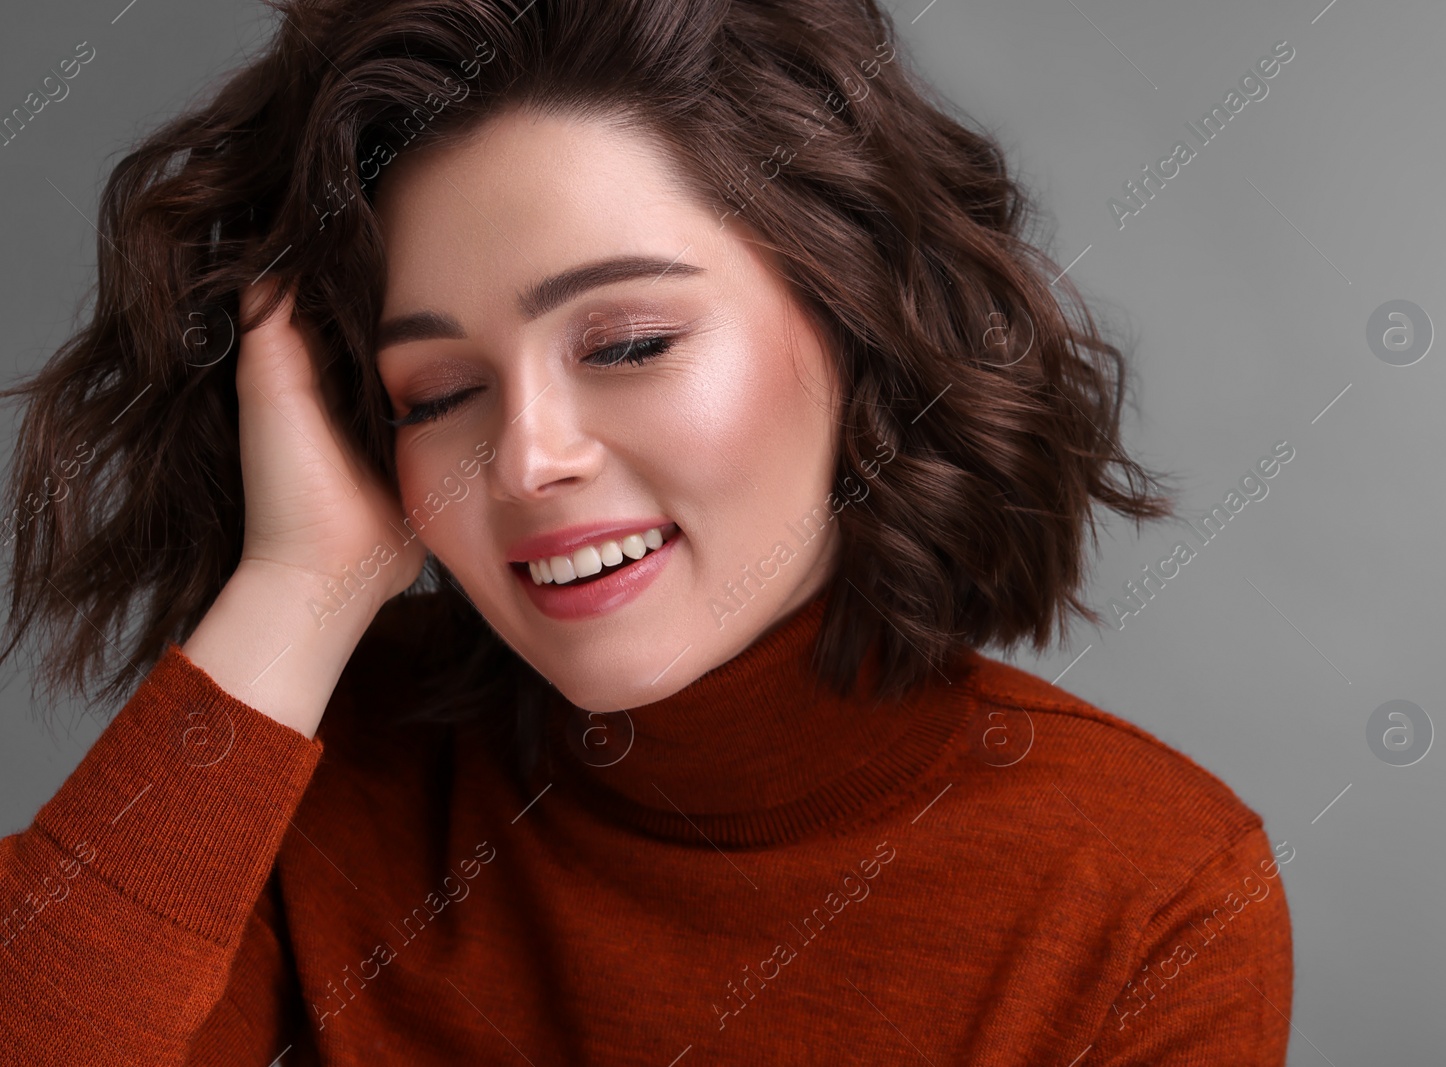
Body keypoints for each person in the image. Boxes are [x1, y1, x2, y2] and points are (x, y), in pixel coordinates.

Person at [0, 0, 1292, 1063]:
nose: (525, 456)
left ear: (860, 327)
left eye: (627, 343)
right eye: (437, 394)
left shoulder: (1150, 892)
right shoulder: (308, 768)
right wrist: (301, 583)